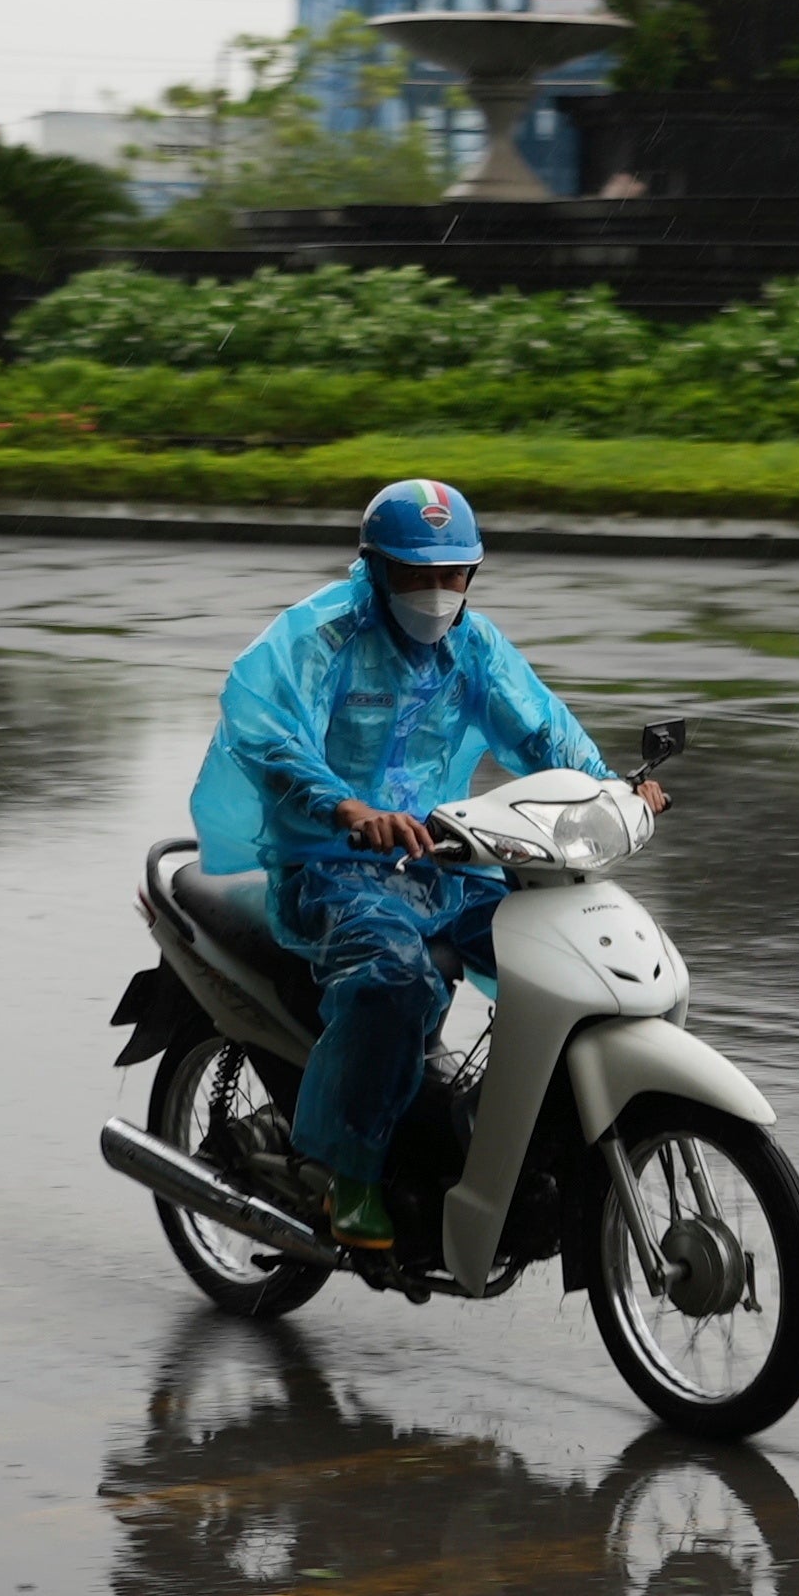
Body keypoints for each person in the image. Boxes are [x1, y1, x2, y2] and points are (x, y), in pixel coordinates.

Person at [189, 479, 665, 1251]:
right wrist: (345, 808)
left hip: (442, 855)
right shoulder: (324, 636)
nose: (438, 593)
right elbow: (269, 730)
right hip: (330, 864)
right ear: (375, 568)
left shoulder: (471, 645)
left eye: (454, 575)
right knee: (395, 977)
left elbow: (542, 729)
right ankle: (348, 1172)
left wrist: (615, 787)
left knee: (559, 951)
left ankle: (502, 1135)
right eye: (417, 574)